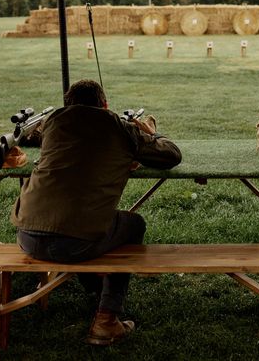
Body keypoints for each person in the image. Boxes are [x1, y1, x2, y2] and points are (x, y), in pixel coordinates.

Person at [11, 79, 182, 345]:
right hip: (74, 242)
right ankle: (106, 320)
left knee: (83, 224)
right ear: (105, 105)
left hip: (27, 237)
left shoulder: (53, 123)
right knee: (133, 224)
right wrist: (151, 134)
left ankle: (96, 288)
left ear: (67, 105)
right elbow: (171, 156)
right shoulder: (119, 127)